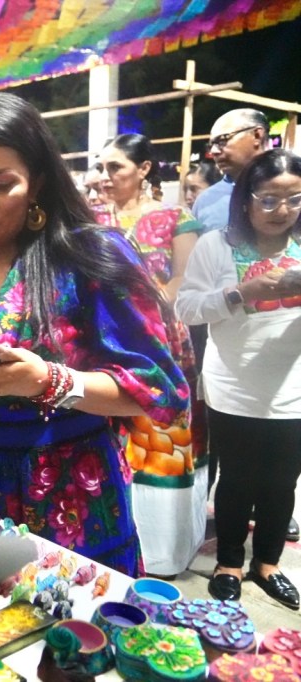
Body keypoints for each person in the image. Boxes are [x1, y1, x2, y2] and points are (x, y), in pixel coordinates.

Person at [0, 93, 189, 576]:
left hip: (69, 497)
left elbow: (161, 390)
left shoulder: (90, 256)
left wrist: (52, 381)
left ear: (38, 182)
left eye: (0, 183)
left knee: (65, 619)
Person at [176, 148, 301, 610]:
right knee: (236, 479)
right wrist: (240, 292)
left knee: (283, 481)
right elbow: (187, 308)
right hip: (233, 386)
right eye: (268, 199)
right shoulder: (217, 245)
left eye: (294, 199)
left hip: (294, 389)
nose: (281, 210)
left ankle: (267, 563)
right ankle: (229, 562)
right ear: (246, 199)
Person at [95, 133, 206, 576]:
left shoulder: (175, 218)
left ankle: (161, 552)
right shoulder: (91, 219)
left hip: (159, 341)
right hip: (103, 343)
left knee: (161, 436)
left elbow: (183, 279)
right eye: (101, 168)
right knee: (109, 434)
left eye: (115, 167)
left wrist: (140, 311)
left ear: (143, 169)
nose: (104, 176)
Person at [193, 108, 271, 234]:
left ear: (257, 135)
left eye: (222, 140)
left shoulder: (293, 188)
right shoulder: (206, 200)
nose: (213, 151)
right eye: (211, 145)